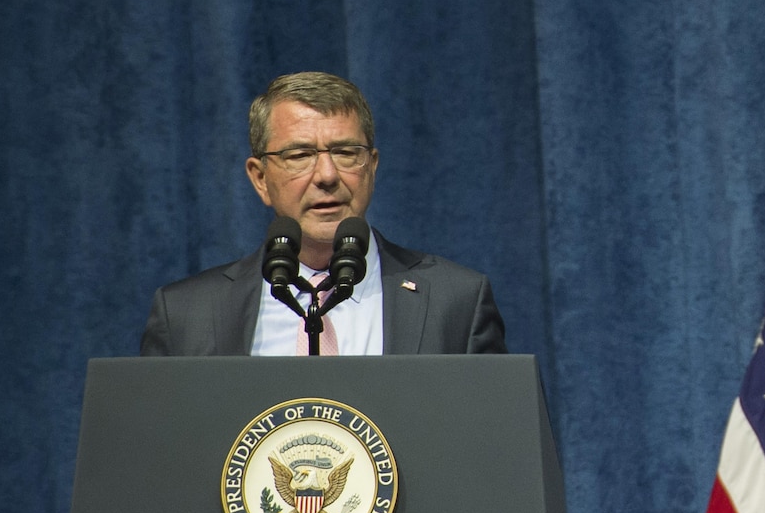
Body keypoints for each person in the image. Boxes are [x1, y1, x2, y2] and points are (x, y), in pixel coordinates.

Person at [141, 71, 506, 356]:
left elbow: (497, 444)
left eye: (346, 152)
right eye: (299, 156)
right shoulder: (187, 315)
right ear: (260, 179)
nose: (327, 176)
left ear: (371, 167)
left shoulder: (455, 302)